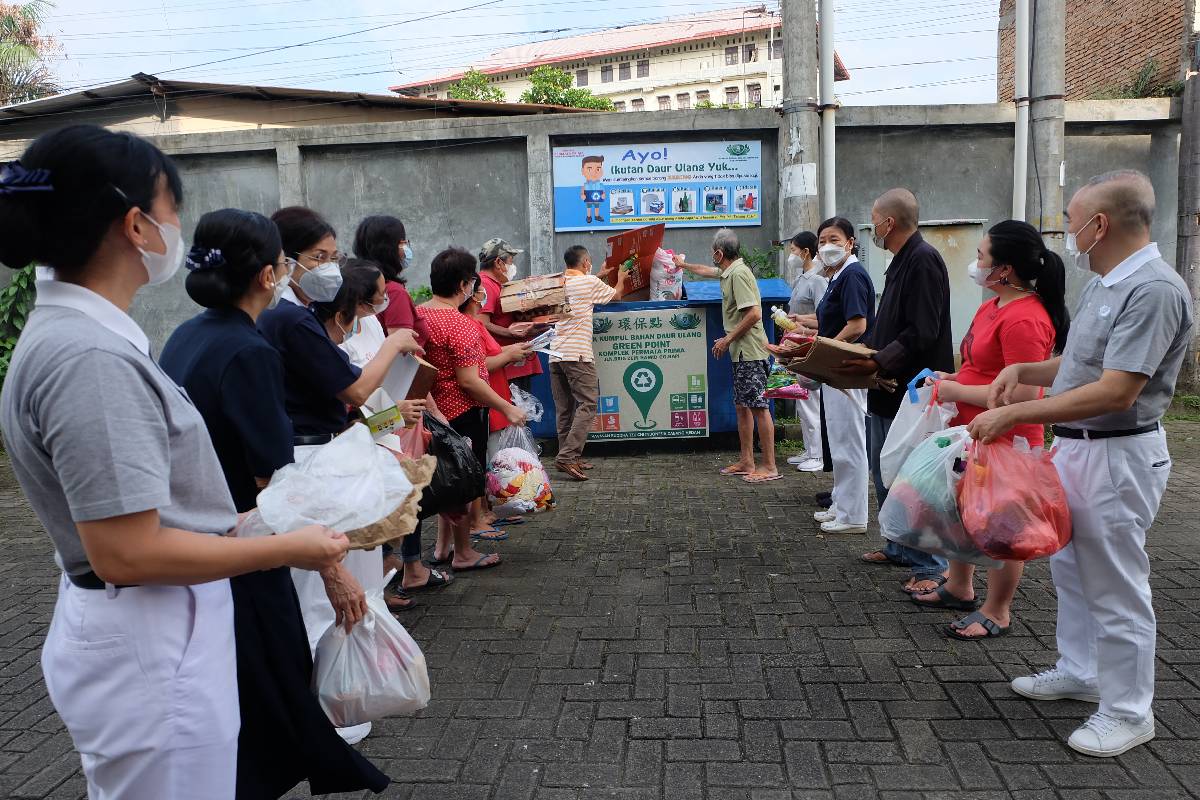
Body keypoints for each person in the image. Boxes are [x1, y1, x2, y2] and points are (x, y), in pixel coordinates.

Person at [0, 125, 347, 799]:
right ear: (136, 224)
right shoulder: (89, 358)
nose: (176, 231)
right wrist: (285, 547)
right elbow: (126, 553)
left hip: (150, 632)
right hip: (152, 638)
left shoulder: (83, 337)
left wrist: (242, 527)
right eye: (172, 212)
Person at [158, 210, 389, 798]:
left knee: (238, 688)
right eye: (296, 260)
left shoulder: (187, 336)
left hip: (200, 544)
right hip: (245, 545)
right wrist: (334, 568)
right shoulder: (251, 349)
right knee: (269, 683)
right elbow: (273, 482)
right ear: (269, 273)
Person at [969, 170, 1193, 757]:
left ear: (1100, 225)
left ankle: (1127, 711)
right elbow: (1083, 363)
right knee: (1069, 570)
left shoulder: (1154, 290)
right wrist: (1025, 372)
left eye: (1071, 221)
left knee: (1116, 587)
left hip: (1116, 457)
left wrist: (1016, 415)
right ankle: (1080, 670)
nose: (1065, 233)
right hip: (1075, 451)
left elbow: (1117, 390)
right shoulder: (1107, 282)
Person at [257, 206, 422, 744]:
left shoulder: (298, 319)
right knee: (325, 589)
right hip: (316, 461)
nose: (327, 268)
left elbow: (360, 398)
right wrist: (396, 345)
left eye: (332, 258)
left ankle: (347, 693)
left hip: (336, 454)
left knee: (356, 581)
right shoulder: (292, 319)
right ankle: (329, 704)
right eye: (317, 258)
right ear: (281, 262)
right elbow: (353, 392)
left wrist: (390, 414)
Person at [907, 220, 1068, 642]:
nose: (975, 264)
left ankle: (998, 609)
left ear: (1005, 270)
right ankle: (960, 586)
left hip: (1008, 437)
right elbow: (979, 366)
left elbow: (1026, 393)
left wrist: (953, 388)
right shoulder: (991, 306)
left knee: (1004, 525)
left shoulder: (1026, 319)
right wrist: (947, 377)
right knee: (963, 510)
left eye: (981, 257)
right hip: (972, 429)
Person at [839, 188, 954, 591]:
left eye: (875, 219)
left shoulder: (923, 261)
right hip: (886, 389)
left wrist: (878, 359)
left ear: (890, 223)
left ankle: (931, 566)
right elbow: (889, 326)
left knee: (914, 479)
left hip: (912, 392)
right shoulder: (900, 262)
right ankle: (899, 546)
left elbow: (923, 332)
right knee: (884, 470)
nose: (873, 227)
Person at [324, 259, 451, 604]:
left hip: (389, 435)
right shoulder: (334, 342)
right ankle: (373, 594)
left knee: (388, 519)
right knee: (364, 537)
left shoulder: (372, 327)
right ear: (354, 302)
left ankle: (379, 592)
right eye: (378, 297)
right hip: (362, 444)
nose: (385, 303)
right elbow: (351, 423)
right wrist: (393, 417)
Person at [418, 247, 528, 572]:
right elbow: (469, 380)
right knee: (464, 483)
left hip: (428, 411)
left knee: (444, 479)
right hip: (461, 413)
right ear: (465, 284)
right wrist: (506, 407)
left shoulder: (416, 314)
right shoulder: (460, 323)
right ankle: (463, 552)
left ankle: (442, 548)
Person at [790, 218, 875, 532]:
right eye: (823, 240)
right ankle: (841, 504)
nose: (827, 246)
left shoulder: (852, 275)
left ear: (850, 242)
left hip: (846, 370)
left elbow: (857, 325)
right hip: (836, 371)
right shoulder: (838, 276)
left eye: (834, 239)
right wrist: (808, 327)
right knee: (838, 442)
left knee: (849, 443)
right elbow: (830, 318)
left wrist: (823, 351)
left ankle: (854, 516)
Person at [675, 229, 778, 483]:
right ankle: (747, 460)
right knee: (742, 407)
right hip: (741, 353)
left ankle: (769, 465)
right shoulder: (729, 271)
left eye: (713, 251)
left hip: (750, 351)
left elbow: (754, 313)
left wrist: (726, 339)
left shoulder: (740, 274)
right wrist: (682, 265)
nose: (712, 256)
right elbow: (706, 271)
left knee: (758, 407)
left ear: (719, 253)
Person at [550, 245, 630, 481]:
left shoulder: (559, 282)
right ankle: (567, 457)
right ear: (585, 262)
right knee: (588, 404)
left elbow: (581, 291)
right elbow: (616, 296)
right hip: (579, 355)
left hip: (555, 354)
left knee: (564, 410)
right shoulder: (588, 283)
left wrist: (601, 275)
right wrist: (621, 279)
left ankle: (569, 456)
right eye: (590, 262)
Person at [783, 230, 827, 473]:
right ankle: (809, 449)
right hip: (797, 345)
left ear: (805, 252)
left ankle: (818, 455)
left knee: (812, 403)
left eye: (793, 250)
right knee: (802, 401)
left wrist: (801, 324)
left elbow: (823, 317)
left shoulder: (818, 280)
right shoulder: (802, 279)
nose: (791, 255)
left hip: (809, 346)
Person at [476, 237, 544, 391]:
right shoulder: (485, 285)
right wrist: (512, 333)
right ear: (499, 263)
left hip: (515, 361)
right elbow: (481, 323)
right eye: (511, 261)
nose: (512, 266)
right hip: (506, 365)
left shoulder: (498, 285)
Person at [353, 214, 429, 343]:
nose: (406, 247)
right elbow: (402, 349)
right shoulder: (393, 292)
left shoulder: (356, 283)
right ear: (391, 248)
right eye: (403, 243)